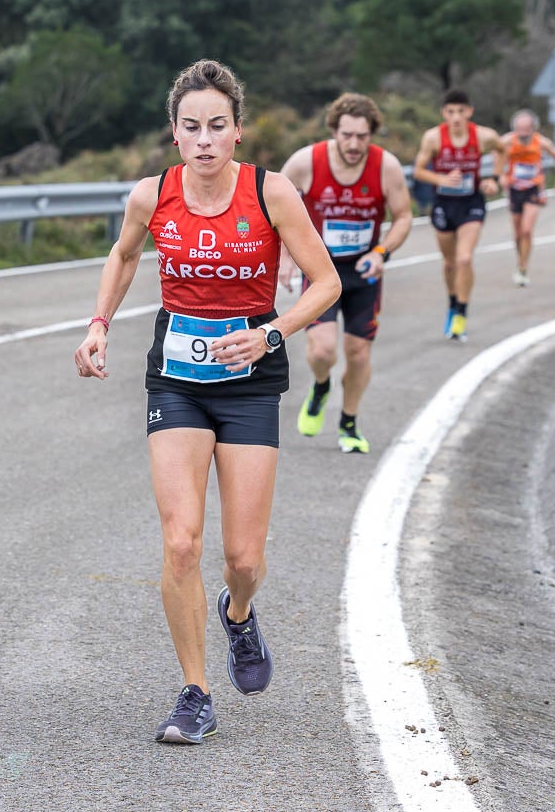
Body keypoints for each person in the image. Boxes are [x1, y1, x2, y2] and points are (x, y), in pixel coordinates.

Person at [73, 60, 340, 745]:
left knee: (242, 557)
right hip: (177, 380)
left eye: (215, 126)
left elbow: (324, 282)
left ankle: (239, 611)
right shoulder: (151, 195)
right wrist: (98, 322)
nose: (203, 139)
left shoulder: (271, 193)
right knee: (181, 539)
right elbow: (124, 256)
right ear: (174, 133)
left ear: (236, 133)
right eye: (190, 127)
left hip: (250, 379)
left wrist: (271, 333)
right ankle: (195, 690)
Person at [278, 92, 411, 454]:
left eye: (362, 137)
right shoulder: (306, 162)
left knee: (358, 354)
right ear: (334, 131)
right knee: (322, 351)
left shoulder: (387, 167)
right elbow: (274, 208)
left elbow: (403, 216)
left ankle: (349, 422)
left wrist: (383, 252)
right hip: (320, 269)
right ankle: (321, 386)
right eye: (347, 135)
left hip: (364, 270)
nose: (354, 144)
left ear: (372, 134)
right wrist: (287, 257)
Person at [412, 89, 505, 341]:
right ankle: (452, 302)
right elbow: (418, 171)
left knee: (464, 259)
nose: (456, 117)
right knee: (450, 262)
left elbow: (502, 150)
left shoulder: (484, 136)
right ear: (444, 113)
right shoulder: (433, 138)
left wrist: (494, 179)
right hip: (443, 203)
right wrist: (441, 178)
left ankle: (461, 314)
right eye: (451, 112)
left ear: (469, 112)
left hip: (471, 202)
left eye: (461, 112)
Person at [499, 109, 555, 287]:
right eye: (520, 129)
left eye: (526, 129)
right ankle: (520, 260)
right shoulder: (506, 141)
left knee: (527, 230)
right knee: (517, 233)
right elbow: (495, 154)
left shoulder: (542, 142)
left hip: (534, 188)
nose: (523, 133)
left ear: (533, 128)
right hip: (514, 189)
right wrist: (501, 175)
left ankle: (523, 268)